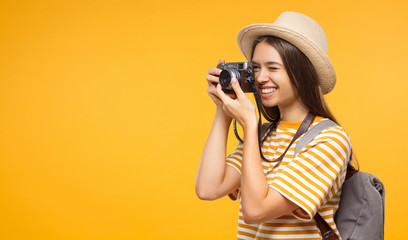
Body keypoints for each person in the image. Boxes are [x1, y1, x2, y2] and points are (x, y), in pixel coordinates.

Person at [195, 11, 353, 240]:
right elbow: (208, 189)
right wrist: (223, 109)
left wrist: (249, 124)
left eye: (273, 67)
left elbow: (256, 210)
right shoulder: (262, 136)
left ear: (302, 73)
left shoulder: (330, 140)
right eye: (256, 67)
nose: (260, 78)